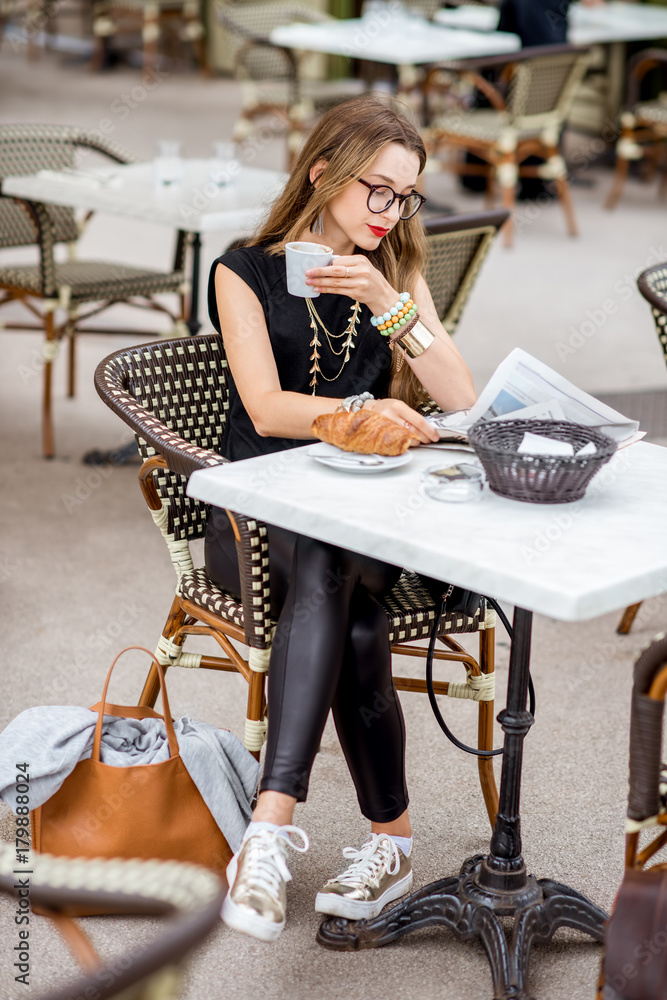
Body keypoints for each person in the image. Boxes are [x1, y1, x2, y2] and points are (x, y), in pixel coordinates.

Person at [205, 93, 476, 943]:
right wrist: (355, 416)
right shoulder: (241, 269)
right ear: (323, 173)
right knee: (345, 605)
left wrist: (387, 302)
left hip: (362, 513)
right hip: (255, 512)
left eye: (406, 198)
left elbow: (462, 398)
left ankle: (268, 830)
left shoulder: (391, 270)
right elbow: (264, 405)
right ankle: (381, 839)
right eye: (376, 191)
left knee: (337, 573)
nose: (389, 213)